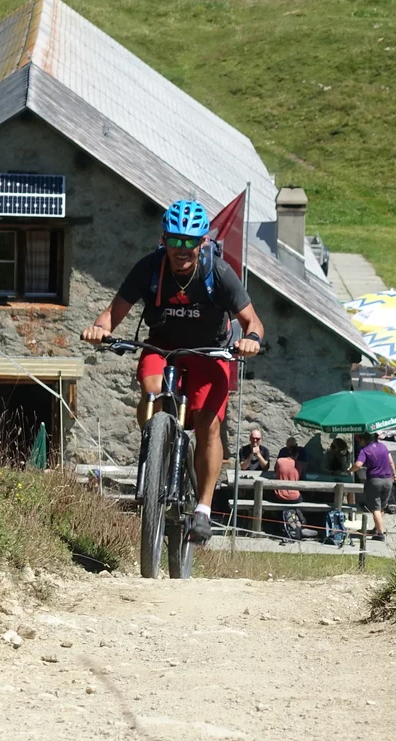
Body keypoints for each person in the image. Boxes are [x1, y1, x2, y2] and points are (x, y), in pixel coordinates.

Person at [81, 199, 264, 543]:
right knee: (151, 391)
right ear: (163, 239)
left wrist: (251, 340)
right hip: (162, 348)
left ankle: (203, 511)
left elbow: (252, 321)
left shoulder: (218, 273)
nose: (182, 249)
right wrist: (100, 329)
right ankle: (157, 446)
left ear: (202, 242)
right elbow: (113, 313)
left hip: (209, 353)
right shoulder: (149, 269)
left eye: (190, 241)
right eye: (175, 240)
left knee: (209, 425)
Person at [353, 431, 394, 539]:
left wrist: (350, 470)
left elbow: (358, 464)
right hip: (388, 480)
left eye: (360, 440)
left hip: (374, 481)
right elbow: (391, 462)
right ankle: (377, 529)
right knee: (382, 507)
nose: (359, 443)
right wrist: (394, 475)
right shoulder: (383, 446)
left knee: (375, 508)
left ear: (363, 440)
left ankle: (380, 534)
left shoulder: (365, 450)